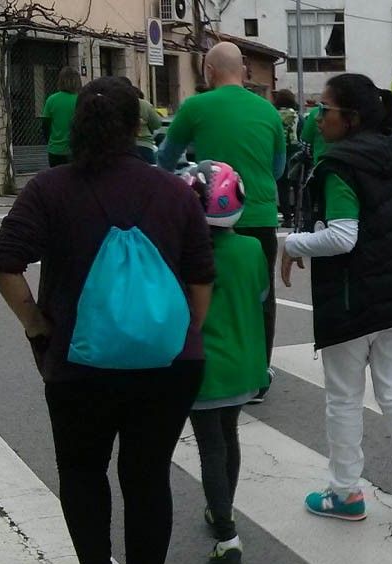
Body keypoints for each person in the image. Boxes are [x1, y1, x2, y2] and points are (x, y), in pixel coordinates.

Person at [0, 76, 215, 564]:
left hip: (78, 364)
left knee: (83, 472)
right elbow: (200, 278)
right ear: (137, 123)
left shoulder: (49, 189)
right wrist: (181, 334)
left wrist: (37, 324)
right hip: (167, 367)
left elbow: (5, 263)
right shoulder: (174, 192)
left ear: (76, 126)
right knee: (147, 479)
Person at [279, 73, 392, 542]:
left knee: (343, 397)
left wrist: (293, 243)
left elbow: (343, 237)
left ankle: (345, 493)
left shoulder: (339, 164)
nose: (317, 118)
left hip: (356, 298)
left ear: (351, 118)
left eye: (326, 110)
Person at [159, 42, 284, 404]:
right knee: (261, 295)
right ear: (244, 70)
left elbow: (167, 159)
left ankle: (205, 362)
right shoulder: (268, 111)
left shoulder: (196, 107)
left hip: (208, 216)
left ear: (209, 70)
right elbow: (277, 168)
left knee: (201, 286)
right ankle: (259, 373)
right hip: (259, 213)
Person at [179, 161, 269, 564]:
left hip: (204, 368)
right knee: (228, 437)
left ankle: (227, 533)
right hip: (244, 366)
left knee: (210, 447)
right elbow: (262, 296)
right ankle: (221, 512)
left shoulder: (185, 254)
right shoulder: (251, 249)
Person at [41, 66, 81, 167]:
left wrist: (50, 142)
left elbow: (45, 125)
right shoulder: (80, 100)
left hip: (55, 151)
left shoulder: (51, 100)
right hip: (75, 149)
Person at [273, 89, 300, 225]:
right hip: (296, 156)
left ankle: (287, 218)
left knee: (282, 188)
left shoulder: (274, 116)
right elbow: (303, 135)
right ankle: (298, 215)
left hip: (281, 155)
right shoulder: (297, 117)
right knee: (297, 187)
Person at [129, 80, 164, 164]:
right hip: (144, 145)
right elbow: (156, 124)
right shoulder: (145, 104)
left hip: (123, 147)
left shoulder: (115, 103)